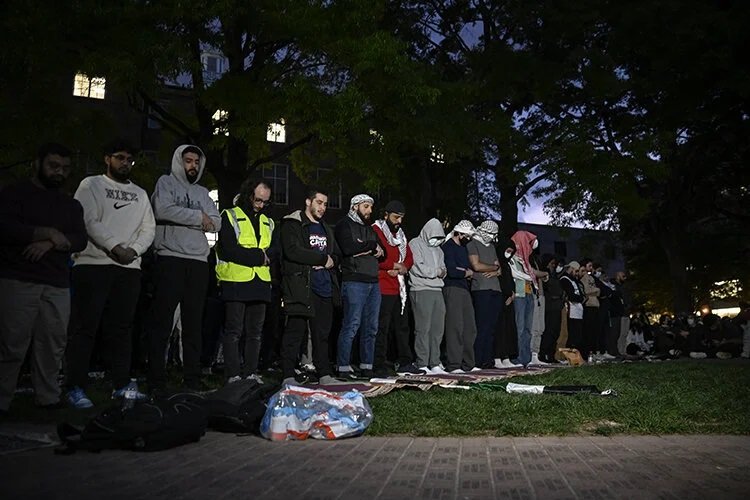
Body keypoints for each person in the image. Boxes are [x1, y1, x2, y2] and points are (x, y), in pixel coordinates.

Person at [65, 141, 156, 408]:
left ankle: (120, 384)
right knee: (85, 327)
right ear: (107, 159)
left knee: (122, 329)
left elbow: (148, 228)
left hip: (128, 269)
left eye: (129, 159)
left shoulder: (140, 193)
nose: (125, 163)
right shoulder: (90, 185)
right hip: (92, 264)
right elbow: (87, 219)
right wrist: (114, 247)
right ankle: (75, 386)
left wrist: (134, 251)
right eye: (120, 158)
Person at [0, 143, 87, 415]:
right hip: (19, 277)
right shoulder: (15, 194)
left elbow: (79, 239)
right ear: (37, 164)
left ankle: (47, 399)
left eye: (64, 168)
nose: (59, 172)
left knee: (52, 343)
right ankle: (3, 401)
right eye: (53, 166)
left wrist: (51, 243)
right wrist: (45, 232)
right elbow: (5, 228)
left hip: (57, 281)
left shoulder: (71, 205)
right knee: (11, 343)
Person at [147, 145, 220, 394]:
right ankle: (156, 380)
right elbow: (162, 210)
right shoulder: (165, 183)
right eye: (188, 161)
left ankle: (192, 378)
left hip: (198, 262)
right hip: (170, 258)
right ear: (179, 161)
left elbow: (217, 221)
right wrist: (199, 218)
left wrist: (200, 217)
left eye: (197, 162)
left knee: (193, 325)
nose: (193, 166)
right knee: (162, 322)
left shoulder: (202, 192)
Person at [215, 179, 276, 384]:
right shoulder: (230, 215)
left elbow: (274, 250)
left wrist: (264, 257)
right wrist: (260, 257)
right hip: (235, 281)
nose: (261, 205)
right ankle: (232, 374)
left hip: (260, 282)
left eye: (265, 202)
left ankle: (250, 373)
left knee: (255, 333)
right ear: (248, 195)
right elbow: (229, 249)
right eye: (258, 200)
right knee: (233, 331)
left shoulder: (268, 221)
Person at [279, 188, 340, 386]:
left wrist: (330, 261)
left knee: (322, 335)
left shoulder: (326, 228)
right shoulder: (294, 224)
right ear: (308, 202)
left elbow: (336, 255)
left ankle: (324, 375)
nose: (322, 207)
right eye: (319, 202)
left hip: (324, 287)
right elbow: (293, 251)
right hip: (302, 287)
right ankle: (288, 375)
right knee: (295, 332)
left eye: (325, 204)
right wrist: (322, 259)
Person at [334, 194, 383, 379]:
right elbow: (348, 248)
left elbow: (382, 252)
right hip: (354, 280)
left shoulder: (370, 229)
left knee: (371, 327)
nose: (369, 210)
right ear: (355, 206)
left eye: (370, 207)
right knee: (351, 325)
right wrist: (370, 247)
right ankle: (343, 366)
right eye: (365, 206)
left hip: (373, 281)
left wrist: (368, 247)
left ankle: (366, 366)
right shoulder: (344, 225)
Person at [372, 200, 421, 376]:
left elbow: (408, 255)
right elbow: (376, 256)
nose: (398, 221)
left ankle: (404, 361)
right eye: (395, 217)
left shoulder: (401, 234)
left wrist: (403, 267)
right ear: (386, 215)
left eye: (401, 218)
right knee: (381, 327)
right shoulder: (376, 230)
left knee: (402, 327)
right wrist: (392, 265)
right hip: (382, 286)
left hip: (399, 288)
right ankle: (378, 363)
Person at [408, 218, 448, 374]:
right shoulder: (415, 244)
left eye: (439, 238)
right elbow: (419, 268)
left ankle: (435, 362)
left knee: (437, 328)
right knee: (423, 328)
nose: (436, 240)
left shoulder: (439, 249)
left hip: (438, 290)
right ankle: (422, 362)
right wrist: (436, 272)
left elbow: (444, 269)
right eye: (434, 236)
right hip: (421, 289)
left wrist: (439, 272)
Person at [442, 220, 480, 373]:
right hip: (452, 288)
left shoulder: (463, 249)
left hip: (464, 289)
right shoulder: (448, 247)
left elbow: (466, 269)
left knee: (470, 328)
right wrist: (465, 272)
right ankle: (454, 364)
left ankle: (468, 363)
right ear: (459, 233)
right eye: (467, 236)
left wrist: (465, 271)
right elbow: (452, 271)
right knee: (454, 327)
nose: (469, 239)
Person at [467, 220, 502, 369]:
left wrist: (495, 269)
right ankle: (476, 360)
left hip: (496, 289)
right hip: (481, 289)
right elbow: (476, 265)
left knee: (492, 327)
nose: (492, 236)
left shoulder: (492, 246)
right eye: (490, 233)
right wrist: (493, 268)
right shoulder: (472, 243)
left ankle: (488, 360)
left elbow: (499, 268)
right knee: (481, 326)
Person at [509, 230, 539, 366]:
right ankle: (518, 357)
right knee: (519, 325)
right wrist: (530, 276)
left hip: (529, 292)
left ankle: (526, 358)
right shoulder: (512, 256)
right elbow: (516, 274)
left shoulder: (525, 259)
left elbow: (531, 274)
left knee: (528, 327)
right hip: (519, 289)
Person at [494, 239, 522, 368]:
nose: (509, 254)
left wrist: (512, 294)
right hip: (500, 297)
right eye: (508, 251)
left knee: (509, 329)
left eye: (511, 252)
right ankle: (497, 358)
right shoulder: (496, 260)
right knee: (499, 329)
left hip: (509, 298)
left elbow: (511, 281)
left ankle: (506, 357)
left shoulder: (507, 264)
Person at [539, 255, 564, 363]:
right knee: (548, 331)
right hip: (549, 306)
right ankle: (543, 354)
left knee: (555, 332)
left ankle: (551, 354)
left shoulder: (555, 275)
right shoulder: (545, 274)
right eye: (552, 263)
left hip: (557, 306)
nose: (553, 266)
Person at [528, 249, 550, 366]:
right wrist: (544, 274)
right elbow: (533, 272)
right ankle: (531, 353)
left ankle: (536, 354)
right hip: (532, 294)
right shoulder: (526, 257)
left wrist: (543, 275)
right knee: (534, 326)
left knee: (541, 326)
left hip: (540, 294)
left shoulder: (536, 259)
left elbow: (540, 274)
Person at [560, 261, 585, 354]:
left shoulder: (575, 280)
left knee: (577, 334)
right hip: (571, 310)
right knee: (571, 334)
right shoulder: (564, 279)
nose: (577, 273)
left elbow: (581, 295)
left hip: (578, 311)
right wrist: (578, 297)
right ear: (571, 269)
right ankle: (569, 353)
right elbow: (571, 295)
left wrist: (579, 297)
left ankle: (576, 353)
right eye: (576, 271)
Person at [579, 258, 600, 359]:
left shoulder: (592, 278)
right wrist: (595, 290)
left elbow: (598, 291)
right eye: (589, 266)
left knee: (593, 331)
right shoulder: (584, 277)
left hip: (595, 305)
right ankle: (585, 353)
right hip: (588, 305)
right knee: (587, 331)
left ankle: (592, 352)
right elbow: (586, 290)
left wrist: (595, 290)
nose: (591, 268)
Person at [610, 271, 631, 356]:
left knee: (625, 333)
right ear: (618, 276)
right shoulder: (614, 286)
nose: (625, 278)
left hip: (626, 312)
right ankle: (619, 351)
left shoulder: (623, 287)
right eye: (623, 276)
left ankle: (623, 351)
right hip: (620, 313)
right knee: (620, 334)